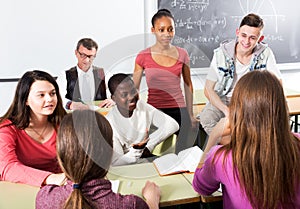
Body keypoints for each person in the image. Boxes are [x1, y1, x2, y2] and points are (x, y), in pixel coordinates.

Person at [193, 70, 300, 209]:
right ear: (280, 107)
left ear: (237, 110)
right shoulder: (297, 143)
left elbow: (201, 187)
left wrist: (213, 136)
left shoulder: (221, 158)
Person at [36, 109, 161, 209]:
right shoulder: (130, 204)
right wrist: (152, 200)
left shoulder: (45, 197)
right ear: (108, 154)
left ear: (61, 153)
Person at [198, 13, 282, 135]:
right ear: (237, 32)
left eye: (252, 38)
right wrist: (227, 111)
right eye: (243, 35)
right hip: (224, 99)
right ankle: (233, 145)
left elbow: (278, 83)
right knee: (207, 118)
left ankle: (243, 145)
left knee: (260, 123)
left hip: (250, 101)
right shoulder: (221, 53)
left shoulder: (266, 53)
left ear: (260, 39)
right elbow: (208, 90)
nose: (246, 42)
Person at [133, 9, 198, 153]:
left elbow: (188, 85)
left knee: (183, 152)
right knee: (144, 151)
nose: (167, 34)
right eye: (161, 30)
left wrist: (191, 114)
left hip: (179, 109)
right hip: (155, 110)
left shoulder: (182, 54)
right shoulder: (142, 56)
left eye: (170, 29)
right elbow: (134, 89)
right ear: (153, 30)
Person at [0, 70, 67, 187]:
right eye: (41, 95)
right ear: (25, 100)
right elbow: (7, 167)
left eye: (52, 93)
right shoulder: (7, 129)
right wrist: (51, 178)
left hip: (58, 190)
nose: (50, 99)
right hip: (18, 190)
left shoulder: (63, 124)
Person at [106, 73, 179, 166]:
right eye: (124, 95)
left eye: (133, 92)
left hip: (146, 161)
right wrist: (138, 151)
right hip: (128, 168)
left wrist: (148, 146)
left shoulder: (142, 106)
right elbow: (117, 163)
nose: (131, 97)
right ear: (114, 98)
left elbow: (172, 124)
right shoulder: (109, 123)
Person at [62, 38, 114, 110]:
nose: (87, 60)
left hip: (100, 116)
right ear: (76, 53)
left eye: (91, 56)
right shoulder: (64, 75)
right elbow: (57, 97)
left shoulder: (103, 73)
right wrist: (69, 104)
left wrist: (113, 100)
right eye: (83, 55)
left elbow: (120, 91)